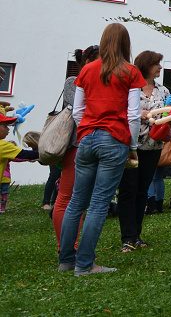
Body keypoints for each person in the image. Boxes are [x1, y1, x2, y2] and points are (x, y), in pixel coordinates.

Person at [59, 23, 147, 276]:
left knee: (77, 201)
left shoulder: (86, 70)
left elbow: (77, 111)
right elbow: (132, 114)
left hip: (85, 139)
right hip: (114, 139)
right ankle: (85, 265)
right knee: (99, 203)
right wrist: (132, 146)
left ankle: (66, 260)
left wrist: (85, 132)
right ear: (125, 43)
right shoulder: (129, 71)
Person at [116, 50, 168, 253]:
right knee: (128, 190)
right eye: (157, 64)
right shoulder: (130, 88)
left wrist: (168, 122)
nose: (160, 68)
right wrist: (141, 114)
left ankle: (136, 234)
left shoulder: (162, 91)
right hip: (130, 147)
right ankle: (127, 237)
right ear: (146, 65)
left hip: (153, 146)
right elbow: (119, 112)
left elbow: (170, 114)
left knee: (142, 191)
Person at [53, 45, 99, 245]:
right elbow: (80, 110)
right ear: (88, 62)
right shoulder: (73, 81)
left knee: (79, 198)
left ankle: (73, 243)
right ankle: (65, 246)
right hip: (74, 144)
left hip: (88, 143)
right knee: (66, 196)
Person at [0, 111, 40, 212]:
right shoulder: (3, 146)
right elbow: (25, 154)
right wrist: (50, 151)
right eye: (5, 126)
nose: (8, 129)